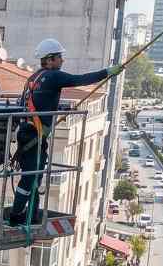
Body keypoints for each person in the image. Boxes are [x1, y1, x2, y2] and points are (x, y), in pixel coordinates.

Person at [8, 39, 122, 226]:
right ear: (50, 59)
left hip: (28, 132)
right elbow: (81, 79)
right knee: (29, 179)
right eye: (60, 57)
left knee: (35, 177)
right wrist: (107, 72)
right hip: (34, 136)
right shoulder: (54, 76)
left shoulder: (34, 78)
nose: (62, 61)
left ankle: (32, 214)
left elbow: (35, 101)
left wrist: (55, 108)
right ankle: (16, 215)